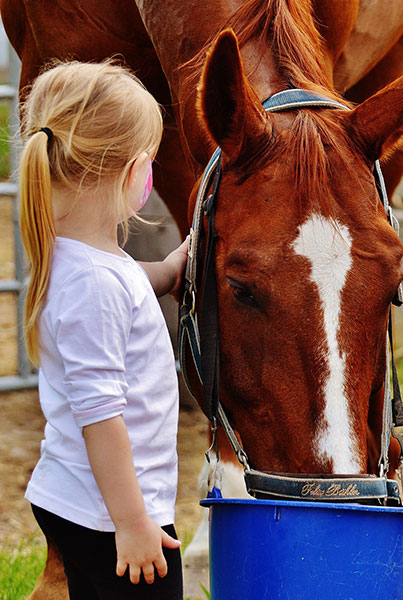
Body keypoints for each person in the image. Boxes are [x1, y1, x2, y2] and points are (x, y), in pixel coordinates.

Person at [19, 60, 188, 600]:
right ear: (134, 169)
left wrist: (170, 270)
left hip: (84, 498)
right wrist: (133, 525)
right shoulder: (93, 283)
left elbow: (126, 284)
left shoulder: (83, 262)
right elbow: (100, 417)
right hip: (110, 512)